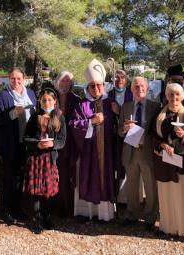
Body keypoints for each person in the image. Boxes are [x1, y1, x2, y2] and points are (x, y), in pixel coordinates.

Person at [69, 59, 116, 222]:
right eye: (92, 85)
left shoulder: (111, 103)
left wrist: (118, 112)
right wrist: (90, 122)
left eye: (99, 85)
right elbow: (73, 124)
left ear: (104, 85)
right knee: (88, 177)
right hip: (88, 152)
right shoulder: (82, 105)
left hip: (107, 151)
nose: (96, 88)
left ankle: (104, 213)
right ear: (87, 87)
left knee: (105, 178)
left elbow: (120, 125)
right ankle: (86, 212)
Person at [150, 83, 184, 236]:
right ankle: (167, 227)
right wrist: (163, 145)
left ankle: (183, 228)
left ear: (182, 96)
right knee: (167, 193)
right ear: (166, 96)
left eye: (177, 94)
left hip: (183, 162)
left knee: (182, 193)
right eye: (171, 94)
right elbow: (151, 135)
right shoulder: (159, 114)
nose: (174, 97)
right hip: (164, 160)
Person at [0, 67, 36, 223]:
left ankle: (19, 209)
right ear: (8, 80)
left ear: (23, 79)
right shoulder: (3, 96)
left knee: (21, 178)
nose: (16, 81)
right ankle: (7, 211)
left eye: (19, 78)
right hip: (10, 144)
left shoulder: (30, 94)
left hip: (27, 144)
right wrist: (12, 113)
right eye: (13, 79)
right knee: (9, 178)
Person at [118, 76, 159, 230]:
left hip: (147, 151)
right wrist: (124, 128)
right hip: (130, 151)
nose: (139, 88)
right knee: (132, 186)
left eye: (142, 86)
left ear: (147, 88)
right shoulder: (126, 107)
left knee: (150, 187)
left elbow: (158, 131)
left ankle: (150, 218)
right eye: (136, 86)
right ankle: (132, 214)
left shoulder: (155, 107)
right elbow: (119, 132)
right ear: (131, 89)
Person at [23, 87, 66, 234]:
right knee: (36, 191)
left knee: (49, 190)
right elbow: (25, 139)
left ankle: (47, 216)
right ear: (40, 102)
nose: (47, 102)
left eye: (49, 100)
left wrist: (53, 144)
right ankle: (36, 219)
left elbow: (62, 140)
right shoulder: (34, 117)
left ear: (55, 101)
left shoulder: (59, 118)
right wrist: (37, 144)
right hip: (35, 159)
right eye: (44, 100)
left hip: (49, 160)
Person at [53, 71, 81, 217]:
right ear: (58, 82)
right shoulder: (51, 97)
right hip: (54, 142)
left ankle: (70, 207)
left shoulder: (76, 99)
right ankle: (58, 206)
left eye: (68, 81)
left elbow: (78, 121)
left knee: (70, 176)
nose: (65, 84)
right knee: (57, 175)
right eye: (63, 81)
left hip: (71, 143)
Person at [108, 69, 134, 206]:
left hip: (128, 134)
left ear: (126, 79)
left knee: (126, 164)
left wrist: (119, 113)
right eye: (116, 78)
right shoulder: (110, 94)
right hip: (113, 134)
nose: (119, 80)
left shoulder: (131, 93)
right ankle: (114, 195)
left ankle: (125, 198)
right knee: (114, 164)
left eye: (122, 77)